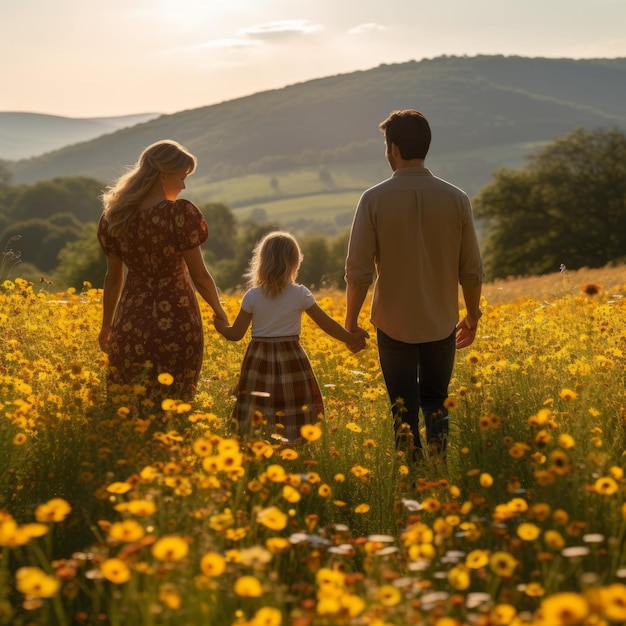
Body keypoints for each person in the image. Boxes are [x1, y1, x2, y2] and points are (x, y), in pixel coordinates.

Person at [344, 109, 484, 460]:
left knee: (402, 409)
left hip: (393, 324)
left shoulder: (373, 199)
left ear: (392, 149)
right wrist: (472, 315)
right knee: (437, 400)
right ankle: (438, 471)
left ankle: (411, 480)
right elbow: (471, 270)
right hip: (442, 321)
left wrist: (350, 322)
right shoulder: (456, 198)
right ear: (426, 146)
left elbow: (358, 272)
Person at [98, 139, 227, 403]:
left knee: (129, 400)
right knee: (174, 401)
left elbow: (113, 279)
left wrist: (107, 326)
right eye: (181, 178)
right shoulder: (178, 215)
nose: (183, 186)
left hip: (131, 319)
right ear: (163, 175)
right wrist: (219, 310)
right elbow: (199, 276)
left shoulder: (115, 217)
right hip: (177, 320)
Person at [214, 231, 367, 444]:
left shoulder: (253, 296)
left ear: (262, 262)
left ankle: (258, 443)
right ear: (294, 264)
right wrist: (351, 338)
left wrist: (221, 326)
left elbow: (235, 334)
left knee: (259, 405)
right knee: (291, 404)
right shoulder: (300, 294)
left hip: (258, 361)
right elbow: (327, 325)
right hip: (292, 358)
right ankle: (292, 445)